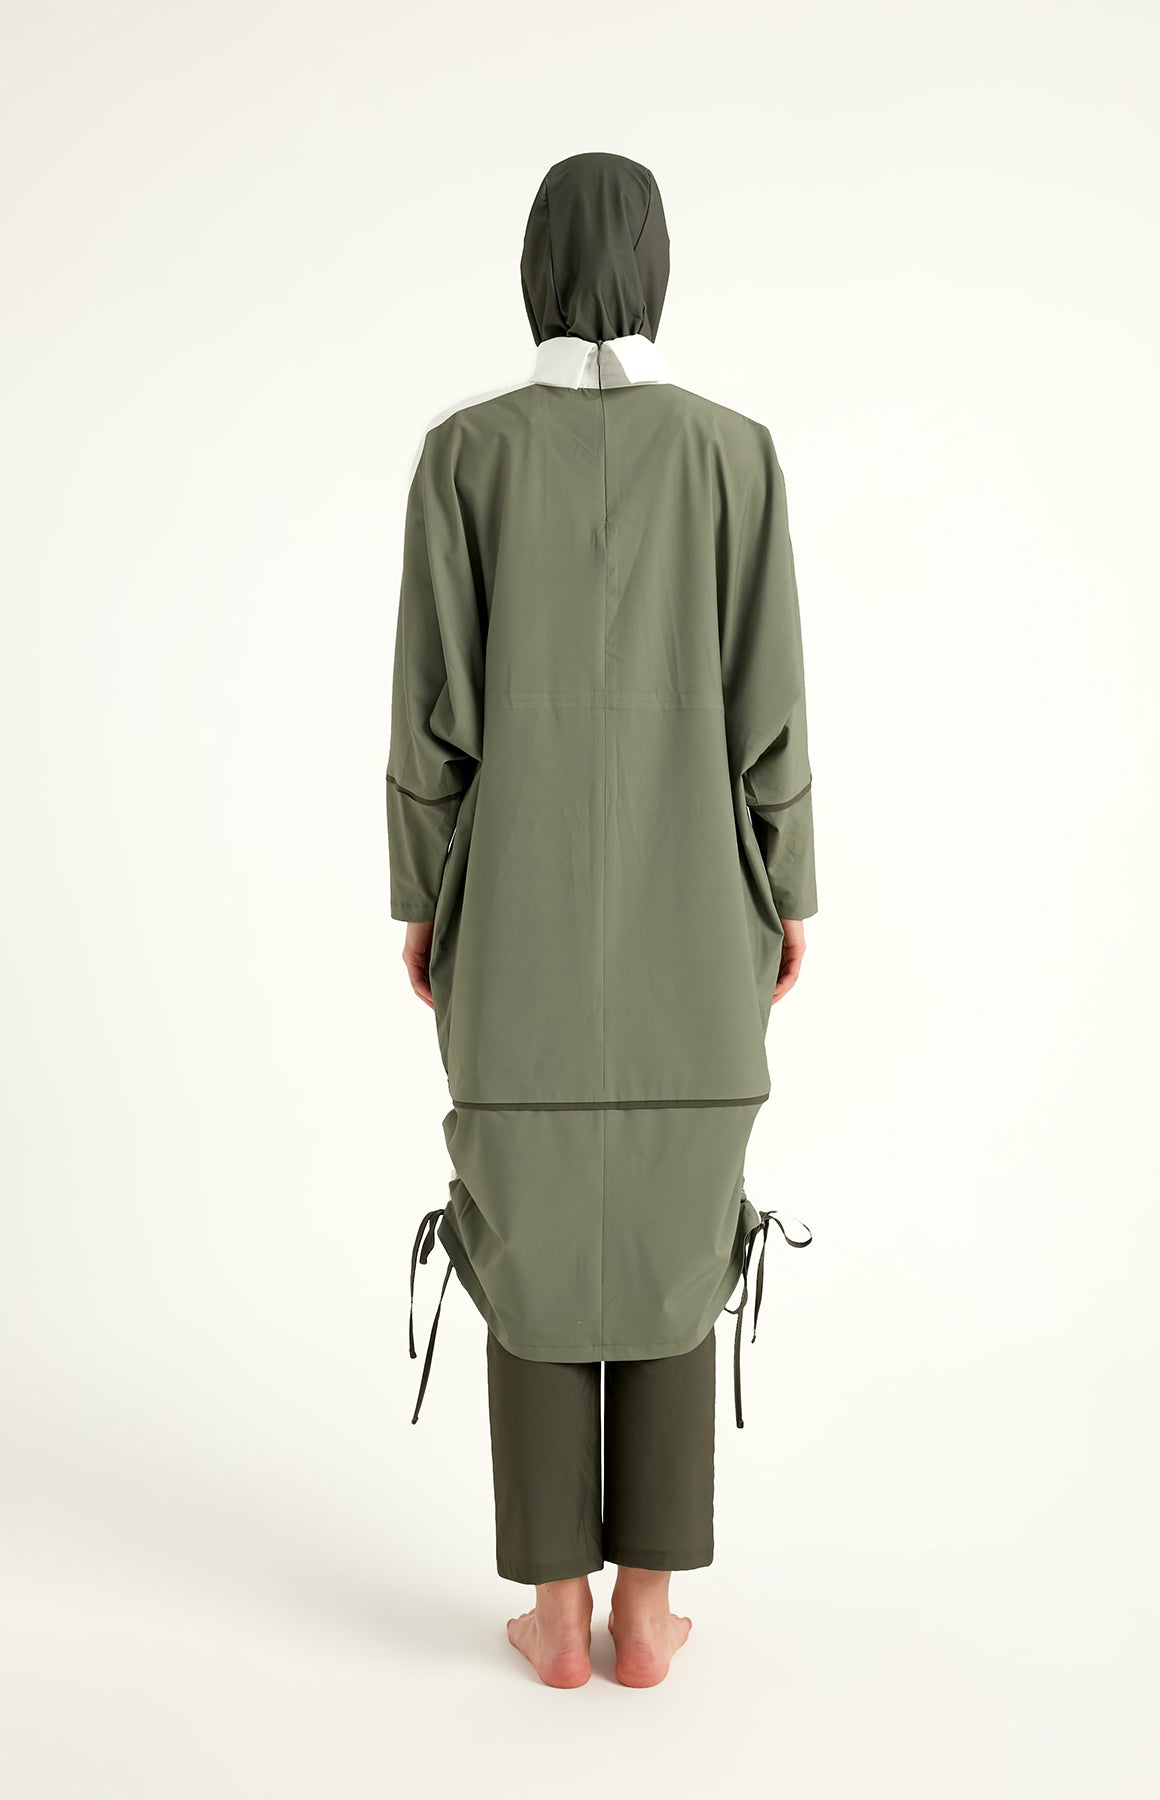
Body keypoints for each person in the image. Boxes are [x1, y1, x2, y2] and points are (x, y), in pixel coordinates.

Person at [387, 151, 817, 1688]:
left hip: (514, 931)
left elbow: (430, 723)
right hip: (699, 930)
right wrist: (789, 892)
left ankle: (555, 1617)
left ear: (533, 268)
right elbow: (772, 718)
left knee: (533, 1231)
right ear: (657, 269)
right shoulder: (736, 456)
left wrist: (424, 903)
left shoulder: (465, 457)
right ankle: (648, 1612)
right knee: (672, 1234)